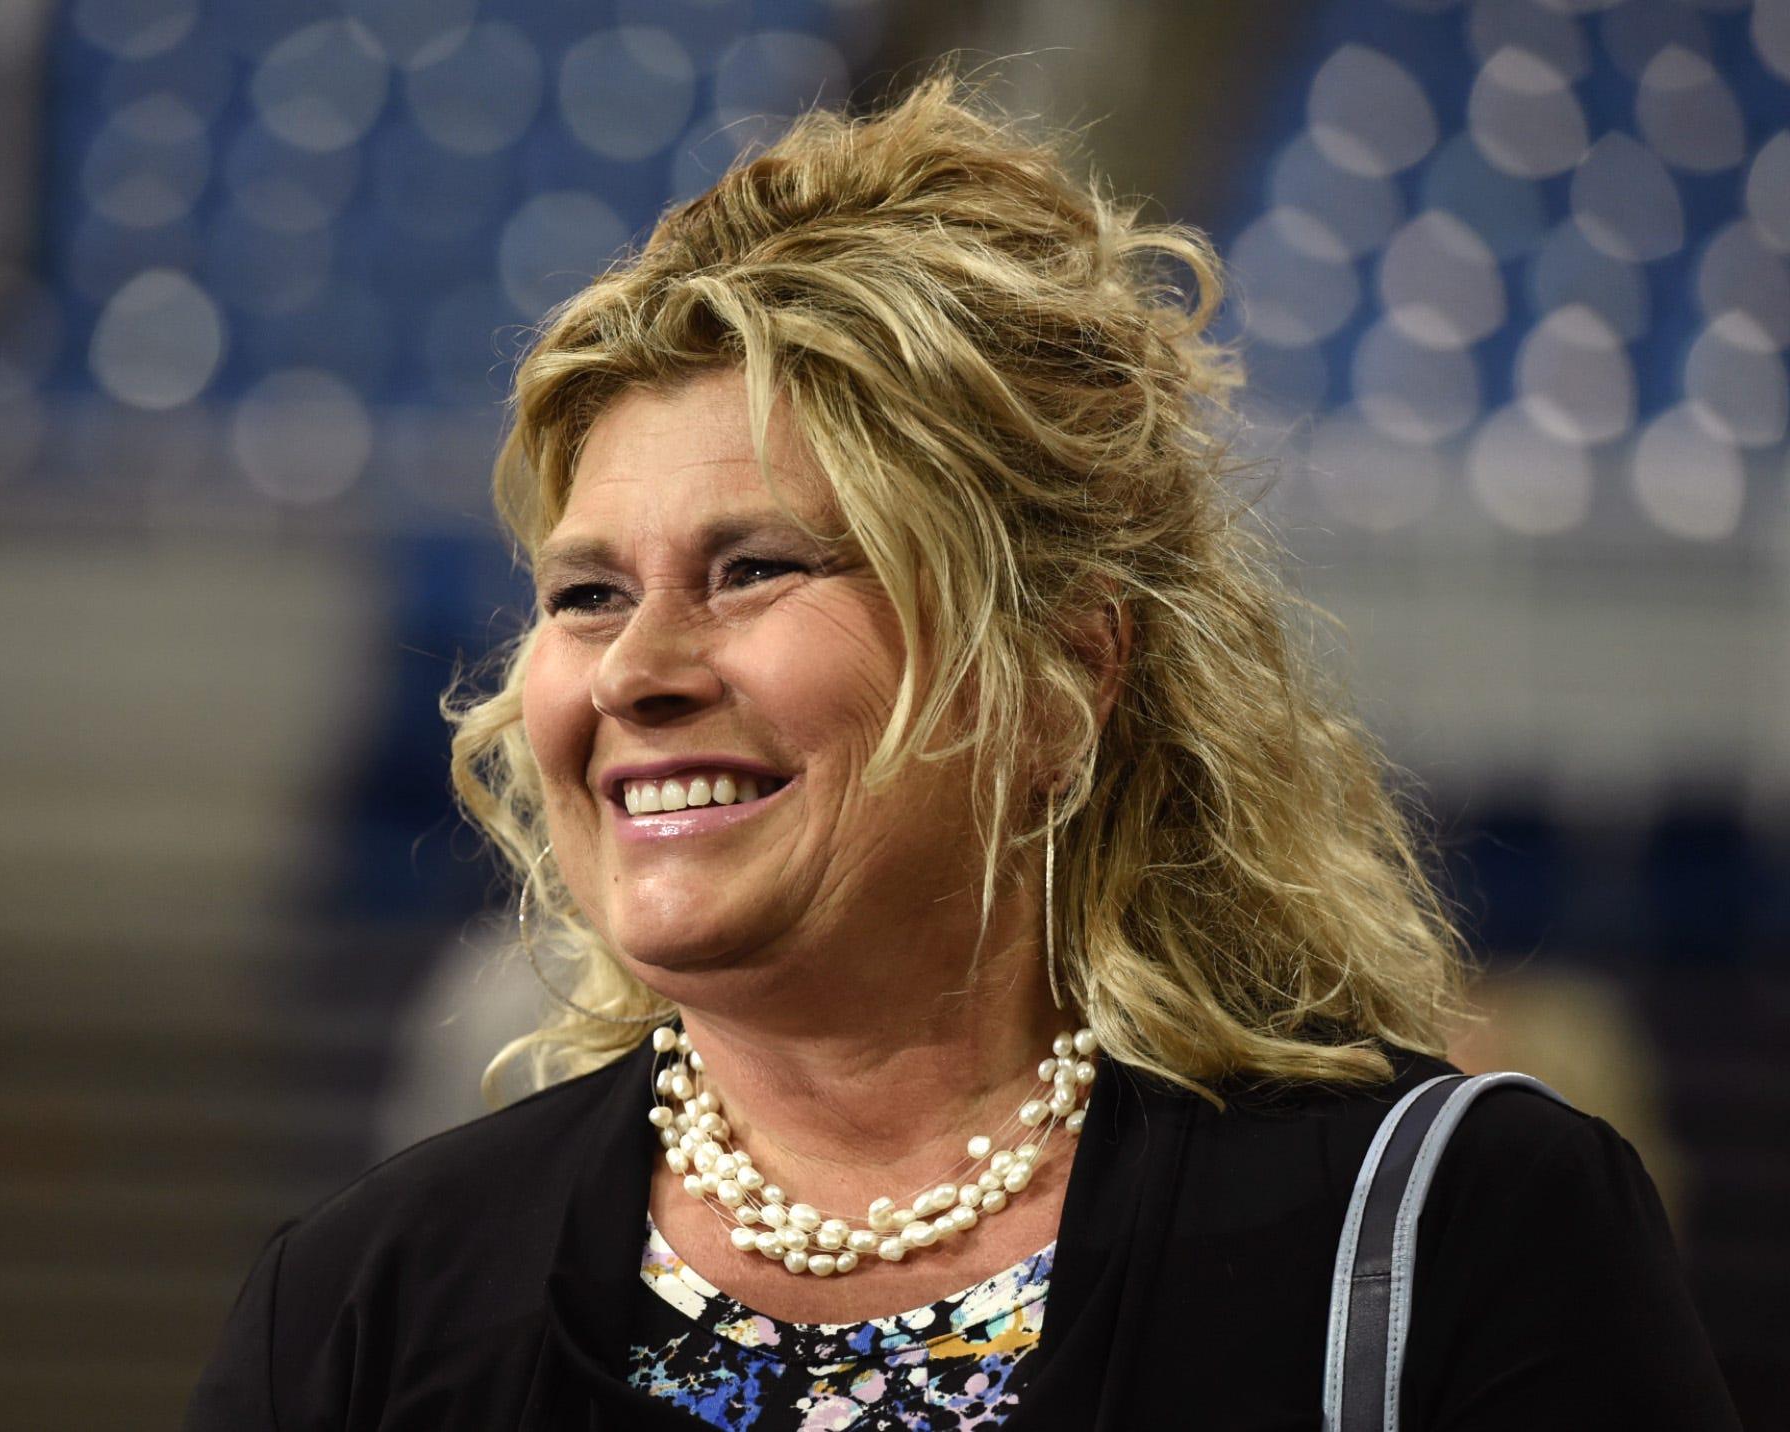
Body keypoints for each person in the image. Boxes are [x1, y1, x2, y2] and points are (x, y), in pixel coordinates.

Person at [184, 75, 1739, 1430]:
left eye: (754, 569)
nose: (639, 672)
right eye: (587, 595)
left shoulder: (1452, 1236)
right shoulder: (361, 1310)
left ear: (1060, 673)